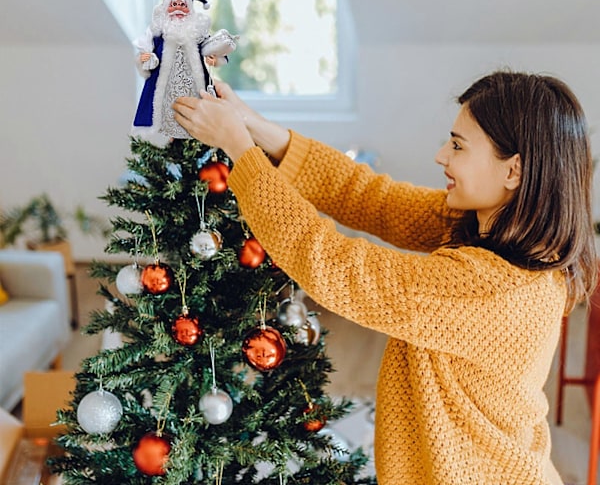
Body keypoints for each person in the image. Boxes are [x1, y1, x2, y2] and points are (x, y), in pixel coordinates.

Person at [172, 71, 597, 485]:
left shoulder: (486, 287)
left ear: (514, 171)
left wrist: (240, 151)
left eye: (458, 146)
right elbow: (372, 198)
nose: (441, 156)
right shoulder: (506, 236)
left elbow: (328, 263)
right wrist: (256, 128)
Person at [132, 0, 237, 144]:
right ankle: (170, 138)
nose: (178, 9)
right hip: (165, 88)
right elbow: (146, 56)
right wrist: (145, 59)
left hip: (193, 86)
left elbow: (214, 48)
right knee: (165, 114)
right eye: (174, 5)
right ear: (166, 8)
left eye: (183, 5)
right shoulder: (159, 35)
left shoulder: (198, 33)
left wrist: (215, 60)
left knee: (194, 112)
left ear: (190, 8)